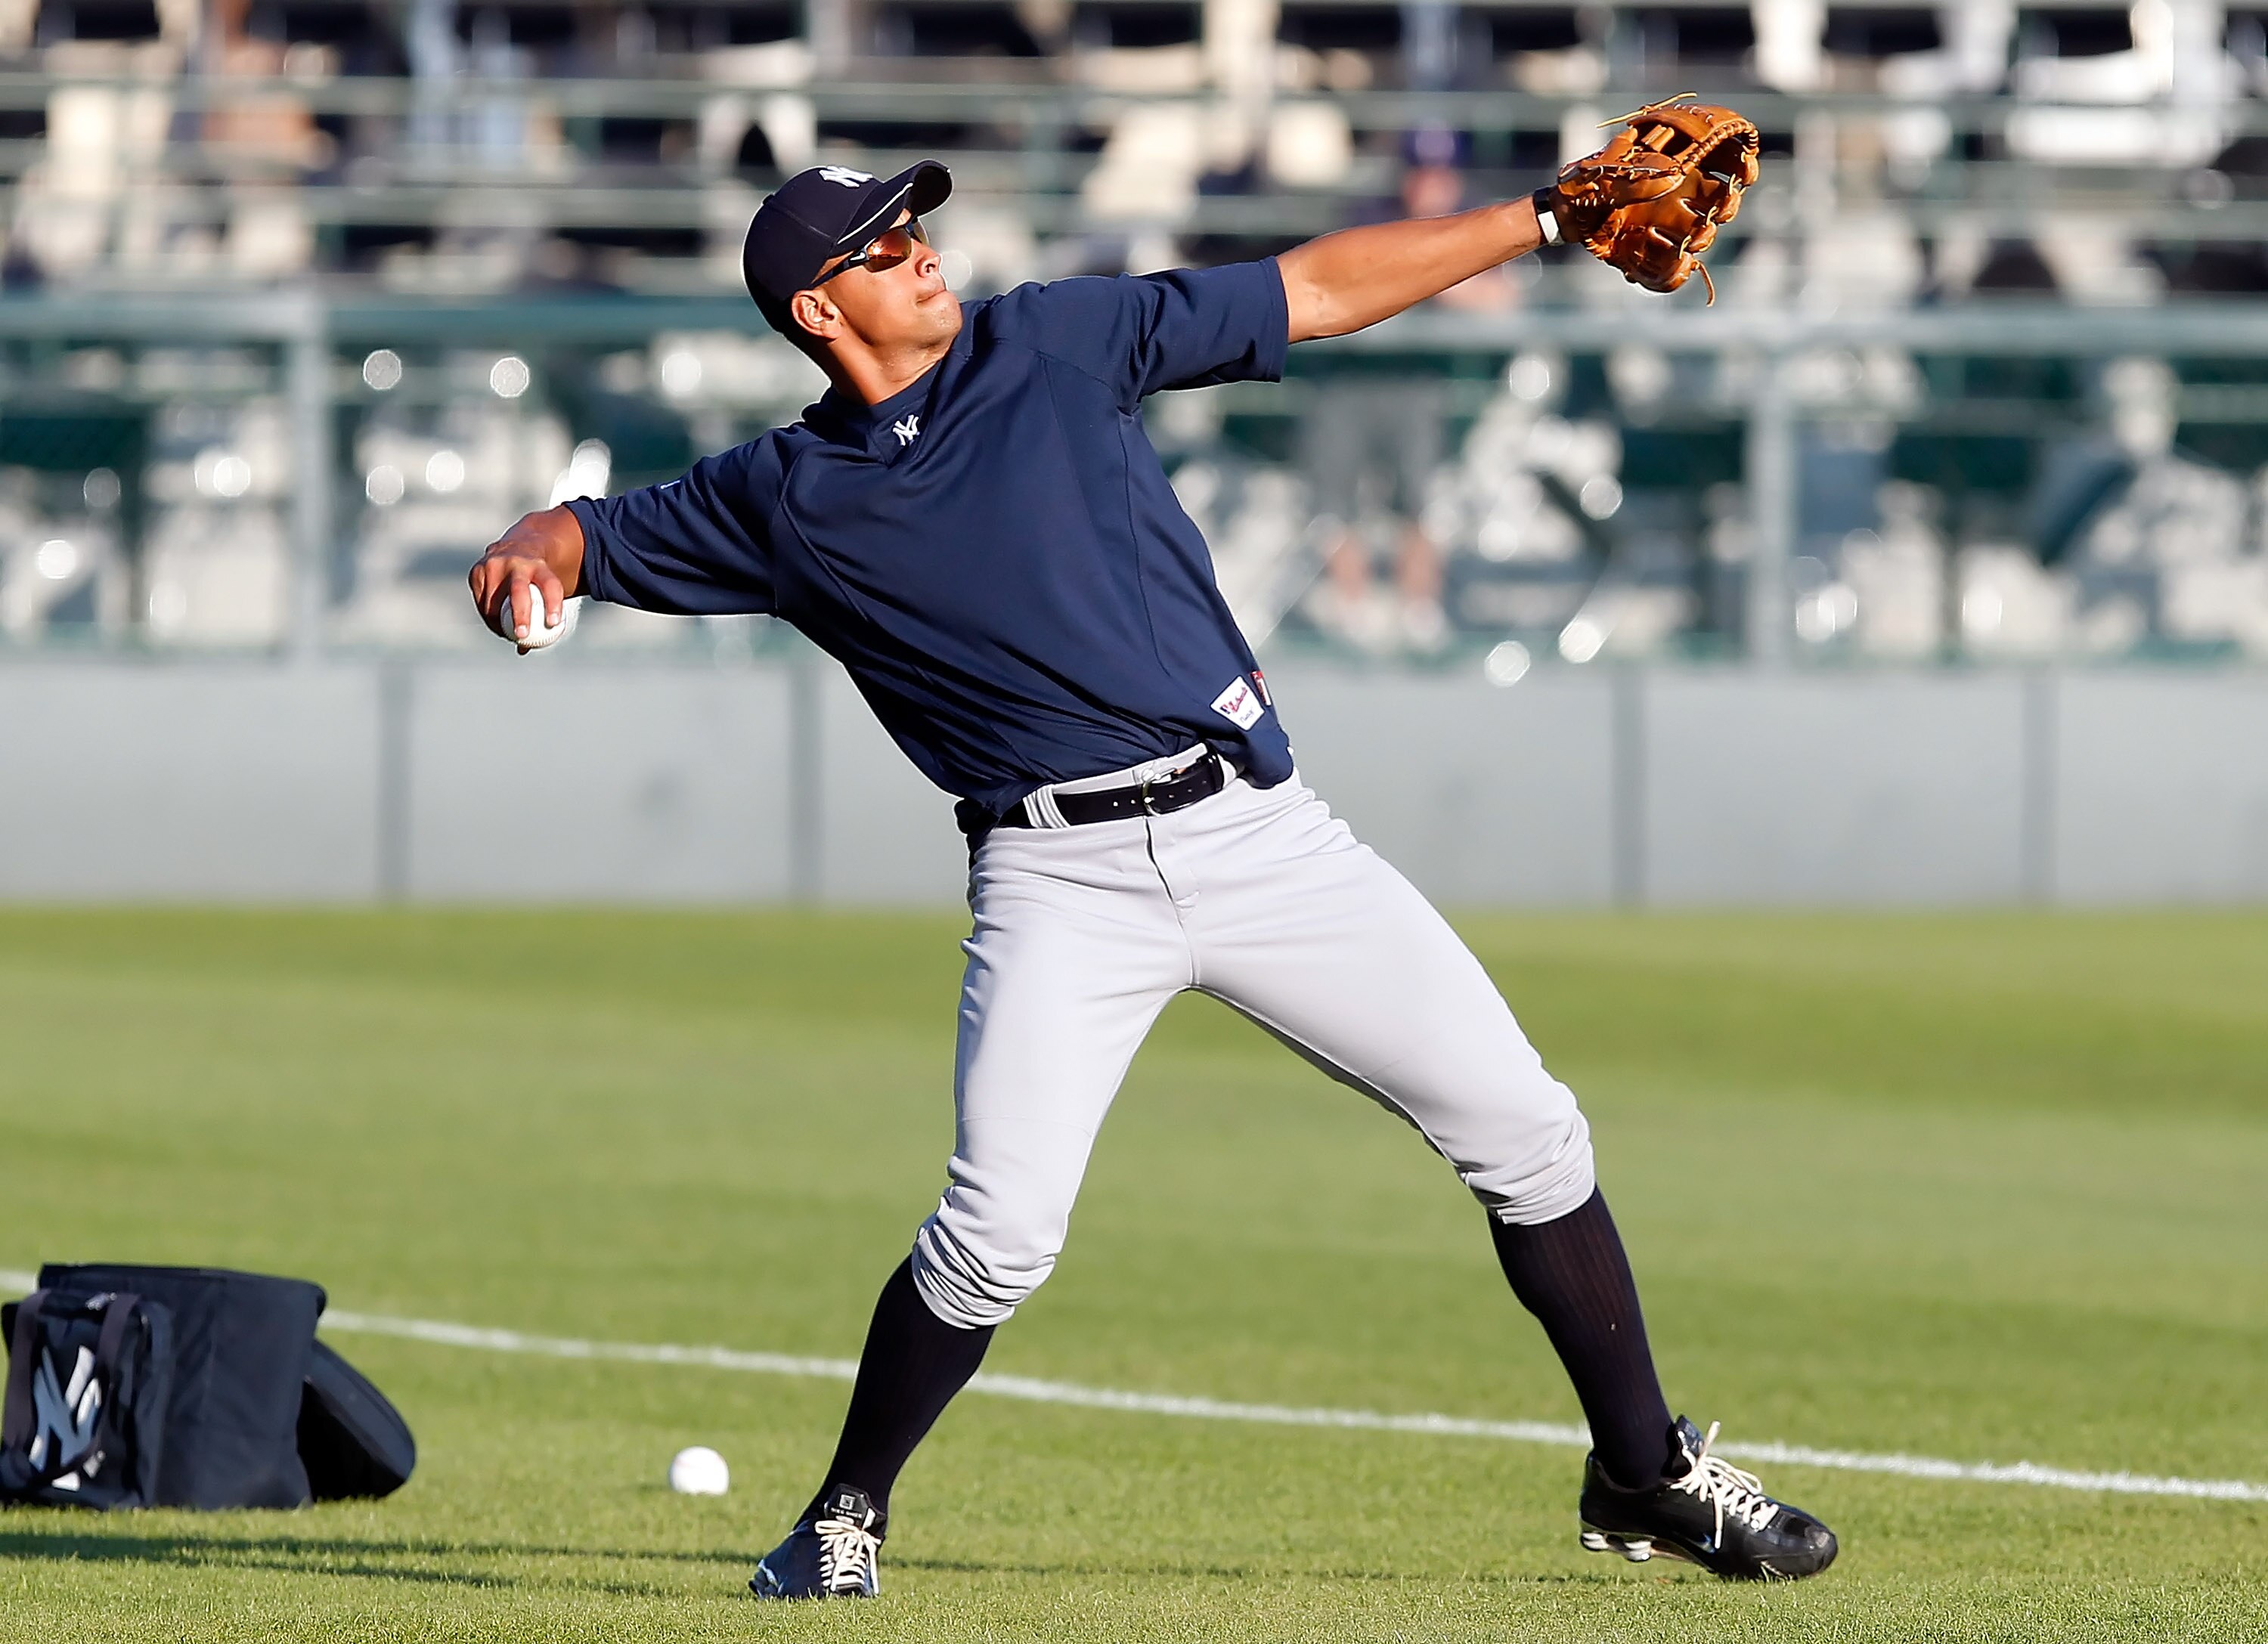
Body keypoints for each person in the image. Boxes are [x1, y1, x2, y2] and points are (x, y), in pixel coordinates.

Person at [466, 158, 1840, 1598]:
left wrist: (1545, 218)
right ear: (819, 307)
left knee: (1530, 1133)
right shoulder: (785, 496)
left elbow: (1312, 290)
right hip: (1057, 882)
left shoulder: (1051, 342)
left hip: (1258, 835)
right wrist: (525, 549)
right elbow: (592, 532)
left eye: (918, 225)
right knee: (995, 1235)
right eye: (885, 247)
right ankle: (840, 1516)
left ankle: (1647, 1474)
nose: (924, 252)